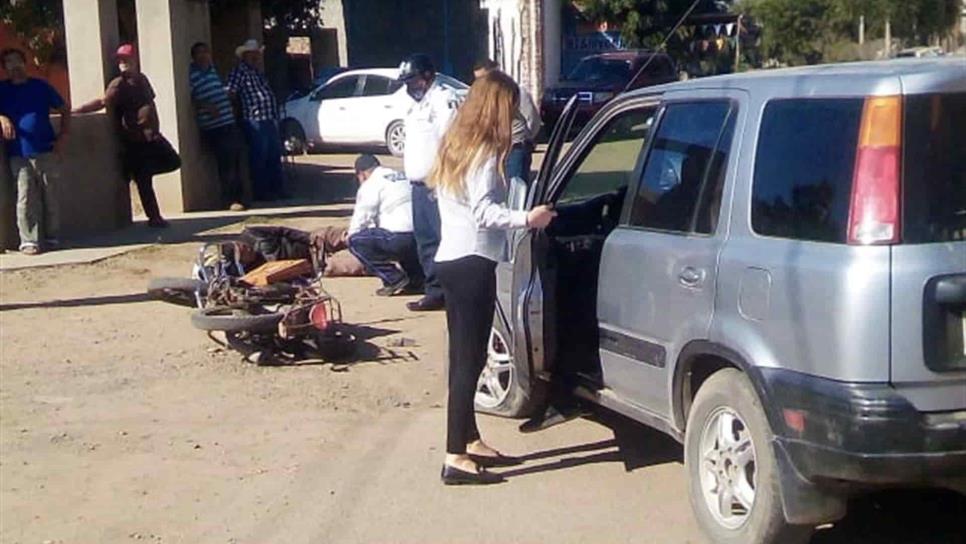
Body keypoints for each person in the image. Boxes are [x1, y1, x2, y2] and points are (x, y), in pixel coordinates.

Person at [429, 71, 556, 485]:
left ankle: (469, 439)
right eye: (511, 105)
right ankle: (453, 456)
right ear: (496, 106)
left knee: (466, 358)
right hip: (471, 262)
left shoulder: (456, 145)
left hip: (452, 259)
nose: (514, 115)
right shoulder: (484, 152)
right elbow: (484, 211)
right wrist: (527, 219)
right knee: (469, 362)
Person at [74, 43, 176, 228]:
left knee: (174, 161)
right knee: (145, 181)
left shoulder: (142, 80)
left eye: (126, 59)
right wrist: (76, 111)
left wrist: (155, 126)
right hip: (135, 139)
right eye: (120, 59)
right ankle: (154, 217)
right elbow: (102, 102)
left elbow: (150, 103)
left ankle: (136, 174)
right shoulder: (118, 84)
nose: (123, 62)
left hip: (151, 136)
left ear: (135, 59)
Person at [397, 54, 459, 312]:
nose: (409, 87)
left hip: (437, 183)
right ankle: (434, 291)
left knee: (443, 238)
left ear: (427, 77)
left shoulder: (443, 101)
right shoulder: (416, 106)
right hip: (418, 185)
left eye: (412, 80)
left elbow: (450, 141)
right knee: (426, 241)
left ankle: (448, 291)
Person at [0, 48, 71, 255]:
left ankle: (52, 236)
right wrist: (1, 118)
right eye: (9, 63)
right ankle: (29, 241)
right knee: (25, 197)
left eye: (17, 61)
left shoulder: (40, 87)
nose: (14, 66)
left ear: (25, 63)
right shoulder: (2, 90)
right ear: (5, 68)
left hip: (46, 149)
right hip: (18, 152)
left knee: (50, 195)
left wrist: (64, 135)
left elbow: (64, 109)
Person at [346, 154, 424, 296]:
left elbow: (362, 215)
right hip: (420, 235)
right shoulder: (401, 176)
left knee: (355, 241)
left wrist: (351, 234)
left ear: (362, 174)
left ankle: (393, 278)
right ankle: (416, 279)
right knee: (398, 235)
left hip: (398, 238)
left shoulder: (371, 184)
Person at [189, 42, 246, 212]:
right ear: (194, 57)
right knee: (225, 164)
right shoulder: (192, 74)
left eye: (206, 52)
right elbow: (191, 97)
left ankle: (240, 197)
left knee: (235, 161)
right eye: (200, 53)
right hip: (213, 126)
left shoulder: (212, 70)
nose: (204, 55)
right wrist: (205, 105)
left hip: (228, 121)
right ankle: (230, 200)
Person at [227, 39, 285, 202]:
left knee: (273, 155)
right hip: (254, 119)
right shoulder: (239, 71)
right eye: (252, 54)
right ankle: (261, 192)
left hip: (268, 118)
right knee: (259, 156)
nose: (256, 57)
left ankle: (276, 188)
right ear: (245, 55)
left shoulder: (258, 73)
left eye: (257, 54)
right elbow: (231, 92)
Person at [473, 59, 542, 183]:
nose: (481, 83)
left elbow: (533, 120)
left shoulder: (517, 92)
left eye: (484, 78)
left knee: (516, 190)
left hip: (516, 149)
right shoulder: (483, 97)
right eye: (478, 79)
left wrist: (524, 140)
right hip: (495, 151)